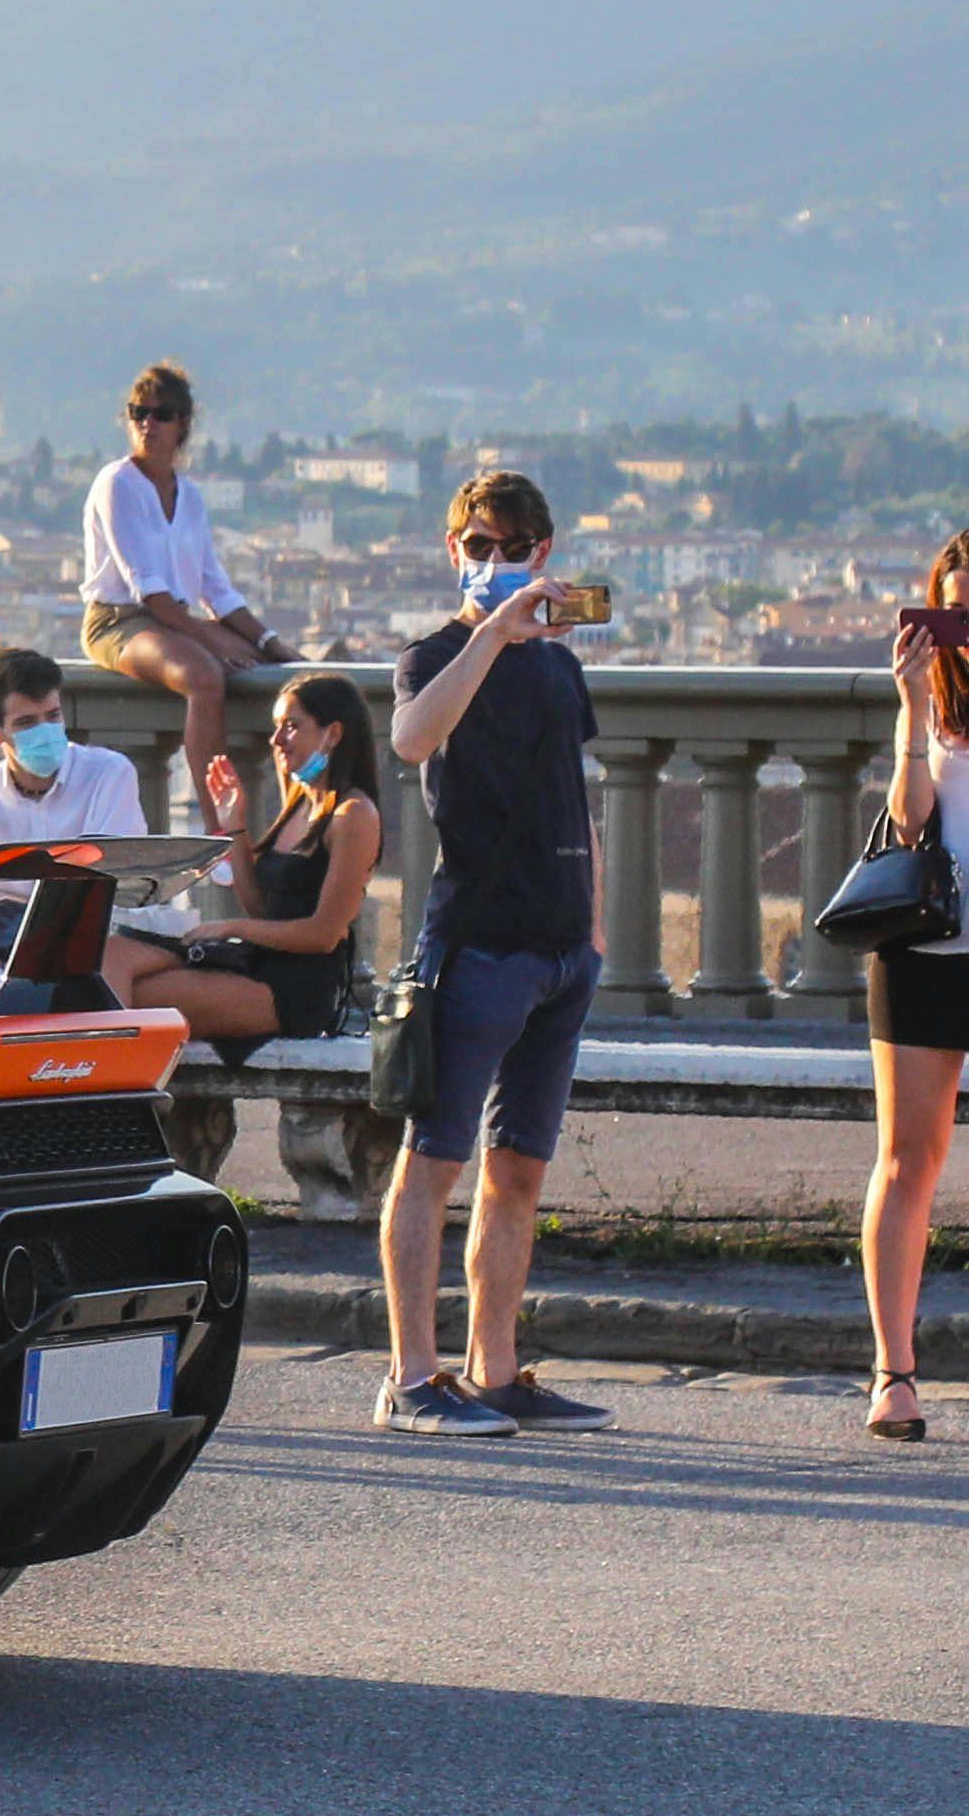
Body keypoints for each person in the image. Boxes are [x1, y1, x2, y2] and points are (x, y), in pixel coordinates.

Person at [370, 468, 608, 1438]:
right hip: (475, 947)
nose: (494, 562)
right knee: (432, 1162)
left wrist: (592, 927)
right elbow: (411, 739)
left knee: (519, 1172)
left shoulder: (558, 668)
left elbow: (574, 796)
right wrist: (491, 633)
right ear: (452, 550)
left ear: (542, 554)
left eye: (512, 549)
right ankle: (410, 1377)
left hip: (558, 949)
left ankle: (495, 1369)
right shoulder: (434, 655)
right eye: (477, 546)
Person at [860, 532, 969, 1442]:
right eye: (954, 608)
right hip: (925, 950)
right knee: (907, 1158)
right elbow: (906, 823)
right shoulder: (931, 701)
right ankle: (892, 1373)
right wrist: (910, 706)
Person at [82, 362, 293, 814]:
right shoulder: (116, 483)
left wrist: (271, 644)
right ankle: (220, 819)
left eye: (160, 414)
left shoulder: (190, 495)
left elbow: (215, 587)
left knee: (265, 669)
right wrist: (207, 640)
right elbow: (147, 587)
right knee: (204, 677)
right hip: (118, 622)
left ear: (182, 424)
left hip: (171, 622)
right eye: (138, 413)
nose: (147, 424)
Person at [158, 674, 388, 1047]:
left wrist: (232, 928)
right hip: (255, 967)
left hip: (291, 991)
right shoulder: (300, 802)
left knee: (146, 999)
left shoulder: (353, 815)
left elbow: (324, 935)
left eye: (291, 726)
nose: (276, 740)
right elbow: (260, 907)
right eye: (276, 726)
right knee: (120, 960)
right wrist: (235, 825)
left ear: (332, 733)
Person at [0, 648, 152, 972]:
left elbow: (109, 885)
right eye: (27, 723)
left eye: (53, 716)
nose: (45, 732)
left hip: (92, 937)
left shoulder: (109, 774)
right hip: (9, 937)